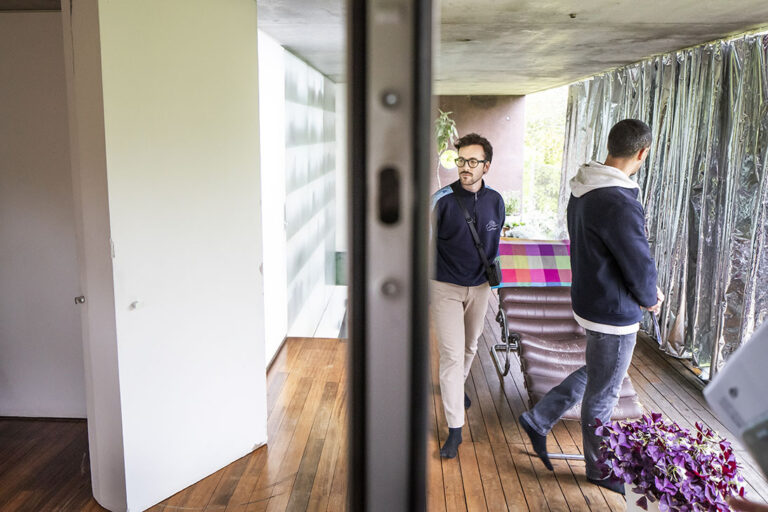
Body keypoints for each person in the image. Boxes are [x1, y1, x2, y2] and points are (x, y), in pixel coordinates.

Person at [518, 119, 664, 494]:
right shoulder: (617, 199)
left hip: (590, 299)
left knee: (599, 369)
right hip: (613, 311)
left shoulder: (584, 186)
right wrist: (651, 297)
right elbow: (636, 258)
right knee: (606, 390)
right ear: (642, 153)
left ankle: (540, 418)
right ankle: (599, 469)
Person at [430, 133, 505, 458]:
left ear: (486, 166)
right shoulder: (442, 200)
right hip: (444, 285)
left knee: (470, 345)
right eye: (461, 160)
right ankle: (455, 430)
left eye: (472, 161)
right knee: (450, 355)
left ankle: (456, 388)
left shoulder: (496, 201)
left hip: (480, 286)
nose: (465, 167)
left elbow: (494, 245)